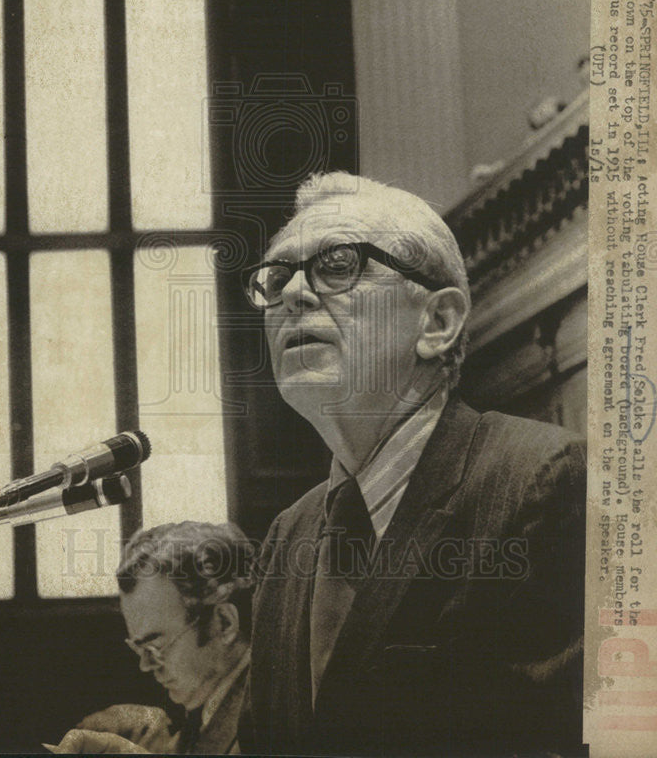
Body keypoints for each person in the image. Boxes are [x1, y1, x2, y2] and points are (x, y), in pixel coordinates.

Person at [239, 172, 586, 757]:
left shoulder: (540, 481)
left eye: (339, 262)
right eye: (276, 277)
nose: (293, 294)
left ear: (437, 323)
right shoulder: (285, 538)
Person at [52, 521, 254, 754]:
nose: (145, 666)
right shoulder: (208, 712)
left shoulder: (263, 727)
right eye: (139, 649)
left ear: (225, 623)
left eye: (155, 646)